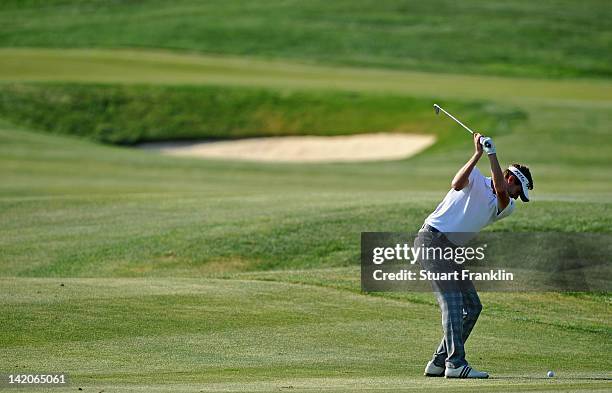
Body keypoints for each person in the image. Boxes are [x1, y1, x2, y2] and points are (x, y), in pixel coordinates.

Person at [417, 132, 533, 379]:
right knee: (452, 303)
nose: (516, 197)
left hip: (450, 250)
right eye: (517, 190)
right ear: (511, 178)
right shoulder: (476, 179)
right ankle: (455, 363)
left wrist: (492, 154)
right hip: (431, 240)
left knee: (473, 306)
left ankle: (439, 361)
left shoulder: (506, 205)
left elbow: (501, 192)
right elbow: (456, 183)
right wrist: (479, 154)